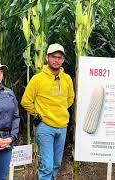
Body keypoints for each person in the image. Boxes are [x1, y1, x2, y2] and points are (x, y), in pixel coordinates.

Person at [21, 43, 75, 180]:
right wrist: (38, 114)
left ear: (63, 60)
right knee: (47, 166)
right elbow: (25, 101)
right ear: (47, 58)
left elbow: (70, 99)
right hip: (45, 127)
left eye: (60, 57)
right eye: (53, 57)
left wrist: (59, 110)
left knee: (56, 164)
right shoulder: (37, 79)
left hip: (62, 126)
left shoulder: (67, 79)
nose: (57, 60)